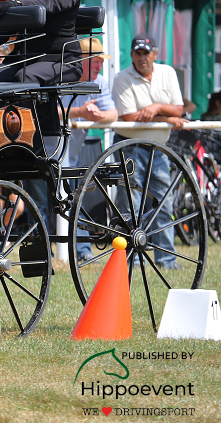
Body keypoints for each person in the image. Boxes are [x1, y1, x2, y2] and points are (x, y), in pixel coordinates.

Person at [112, 33, 187, 269]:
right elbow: (130, 117)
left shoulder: (168, 73)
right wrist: (166, 116)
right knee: (130, 206)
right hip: (130, 147)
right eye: (137, 53)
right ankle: (130, 259)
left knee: (164, 203)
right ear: (132, 55)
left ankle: (167, 260)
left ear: (155, 54)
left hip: (159, 149)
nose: (142, 57)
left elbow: (180, 109)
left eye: (146, 52)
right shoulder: (122, 77)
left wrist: (154, 109)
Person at [66, 38, 118, 261]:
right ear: (82, 61)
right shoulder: (63, 77)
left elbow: (113, 114)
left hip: (71, 156)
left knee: (73, 201)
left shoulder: (101, 82)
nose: (99, 66)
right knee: (52, 202)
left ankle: (82, 250)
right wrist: (81, 113)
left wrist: (97, 116)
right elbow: (47, 112)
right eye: (96, 61)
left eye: (101, 62)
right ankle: (54, 252)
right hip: (47, 153)